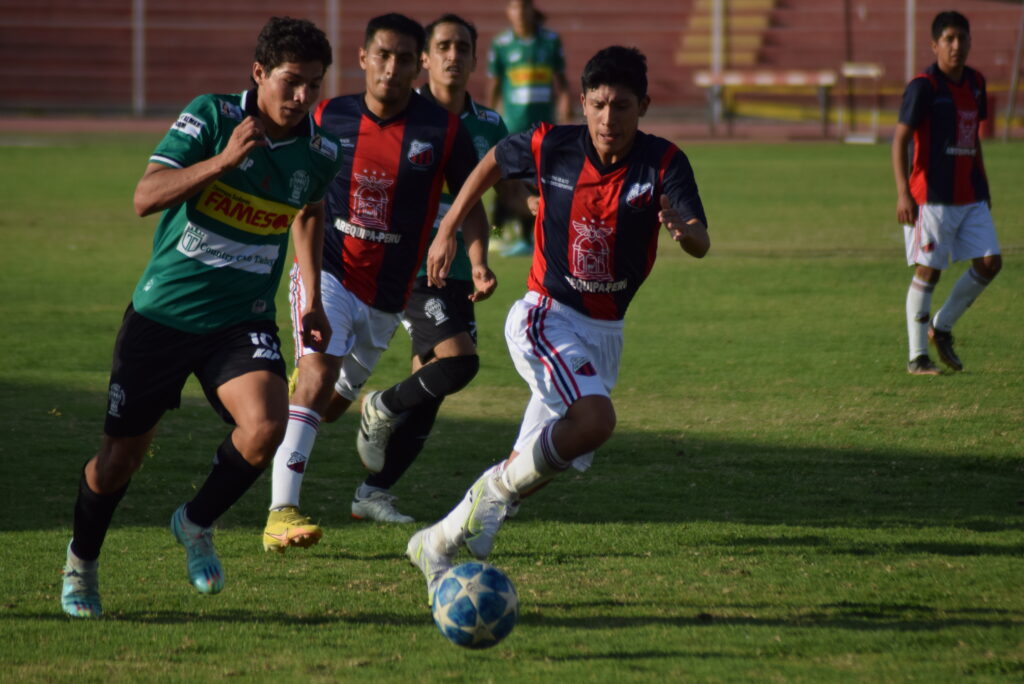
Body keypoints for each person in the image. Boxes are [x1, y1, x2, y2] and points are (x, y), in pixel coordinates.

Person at [60, 17, 341, 618]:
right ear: (259, 73)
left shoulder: (319, 150)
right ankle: (82, 563)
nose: (302, 98)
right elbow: (145, 196)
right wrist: (222, 161)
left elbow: (309, 210)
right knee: (118, 463)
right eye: (291, 82)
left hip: (239, 321)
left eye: (314, 85)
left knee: (267, 426)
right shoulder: (211, 117)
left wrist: (311, 295)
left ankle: (195, 522)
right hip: (163, 316)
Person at [406, 45, 710, 598]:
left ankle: (439, 540)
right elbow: (496, 158)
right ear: (584, 103)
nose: (608, 119)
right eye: (597, 104)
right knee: (594, 421)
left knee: (544, 459)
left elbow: (700, 240)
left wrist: (682, 231)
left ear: (643, 105)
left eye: (621, 106)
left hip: (605, 331)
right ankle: (487, 501)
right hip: (546, 316)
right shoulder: (554, 144)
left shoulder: (663, 163)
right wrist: (451, 223)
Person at [262, 13, 494, 550]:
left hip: (389, 297)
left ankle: (264, 427)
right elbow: (303, 196)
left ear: (419, 67)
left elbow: (470, 202)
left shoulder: (441, 129)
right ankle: (281, 510)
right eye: (382, 56)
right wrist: (311, 286)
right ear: (363, 58)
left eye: (404, 59)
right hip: (331, 272)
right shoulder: (328, 115)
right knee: (317, 376)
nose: (392, 68)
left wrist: (474, 257)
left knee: (332, 403)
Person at [349, 14, 509, 524]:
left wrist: (482, 262)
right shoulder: (409, 119)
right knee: (459, 363)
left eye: (463, 47)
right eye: (443, 46)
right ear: (425, 58)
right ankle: (379, 404)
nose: (453, 56)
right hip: (412, 267)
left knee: (432, 390)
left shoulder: (488, 127)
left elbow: (489, 200)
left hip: (458, 271)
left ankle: (371, 493)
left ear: (474, 58)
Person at [893, 10, 1002, 375]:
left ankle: (941, 328)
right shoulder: (924, 86)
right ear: (935, 44)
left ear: (970, 42)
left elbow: (974, 139)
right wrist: (903, 193)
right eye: (949, 39)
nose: (957, 46)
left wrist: (983, 183)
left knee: (990, 262)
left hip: (970, 194)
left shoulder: (975, 83)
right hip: (932, 197)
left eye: (962, 39)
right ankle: (917, 357)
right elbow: (899, 141)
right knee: (929, 271)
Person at [487, 0, 571, 256]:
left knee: (536, 185)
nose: (519, 12)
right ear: (508, 12)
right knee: (504, 184)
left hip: (543, 129)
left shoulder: (550, 41)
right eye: (514, 7)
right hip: (513, 127)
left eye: (523, 6)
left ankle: (525, 239)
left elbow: (562, 82)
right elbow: (494, 84)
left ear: (531, 10)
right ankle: (495, 235)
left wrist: (566, 105)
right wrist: (490, 117)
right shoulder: (501, 44)